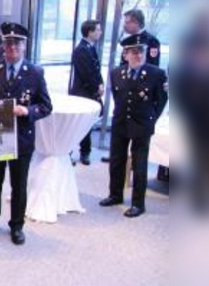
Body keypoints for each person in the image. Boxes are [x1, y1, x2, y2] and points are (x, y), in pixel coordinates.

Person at [0, 22, 52, 245]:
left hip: (21, 137)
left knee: (18, 184)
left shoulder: (36, 72)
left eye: (17, 43)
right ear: (3, 45)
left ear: (24, 45)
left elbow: (46, 107)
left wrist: (27, 110)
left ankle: (17, 225)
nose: (12, 47)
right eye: (8, 43)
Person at [99, 34, 168, 218]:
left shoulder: (156, 74)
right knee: (116, 161)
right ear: (125, 54)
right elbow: (117, 97)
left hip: (142, 125)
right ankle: (115, 194)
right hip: (120, 121)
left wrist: (151, 119)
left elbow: (161, 100)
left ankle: (138, 203)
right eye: (134, 52)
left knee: (139, 165)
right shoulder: (116, 73)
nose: (138, 55)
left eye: (141, 51)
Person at [69, 20, 105, 165]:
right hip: (82, 93)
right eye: (98, 30)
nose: (100, 32)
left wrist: (101, 83)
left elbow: (96, 69)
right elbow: (86, 74)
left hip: (90, 92)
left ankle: (85, 151)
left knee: (87, 125)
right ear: (89, 32)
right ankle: (70, 152)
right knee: (78, 125)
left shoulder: (90, 47)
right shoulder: (81, 49)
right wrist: (96, 89)